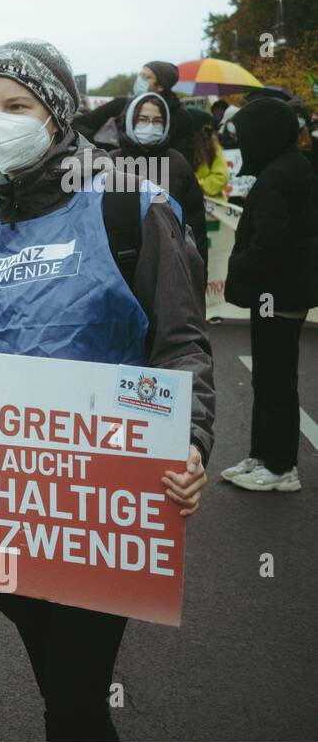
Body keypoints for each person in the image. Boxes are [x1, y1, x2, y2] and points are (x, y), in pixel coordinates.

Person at [0, 39, 214, 742]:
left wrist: (192, 440)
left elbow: (180, 344)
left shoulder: (130, 207)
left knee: (77, 697)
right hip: (10, 506)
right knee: (58, 685)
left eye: (16, 106)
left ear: (55, 113)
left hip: (102, 499)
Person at [221, 97, 318, 493]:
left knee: (274, 380)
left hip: (276, 293)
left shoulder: (278, 176)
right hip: (282, 292)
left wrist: (239, 264)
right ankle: (264, 456)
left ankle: (280, 466)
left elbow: (270, 243)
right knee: (270, 377)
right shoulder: (291, 168)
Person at [113, 90, 208, 273]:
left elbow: (196, 225)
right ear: (131, 121)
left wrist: (198, 274)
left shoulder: (178, 163)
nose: (150, 126)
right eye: (142, 119)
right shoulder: (112, 163)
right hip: (122, 270)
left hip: (171, 267)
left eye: (157, 121)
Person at [75, 60, 195, 164]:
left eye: (146, 77)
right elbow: (77, 123)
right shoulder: (121, 105)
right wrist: (101, 146)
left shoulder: (182, 118)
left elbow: (184, 158)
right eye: (140, 75)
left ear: (160, 87)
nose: (140, 80)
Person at [185, 108, 229, 202]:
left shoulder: (212, 147)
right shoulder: (179, 146)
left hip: (211, 206)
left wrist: (196, 188)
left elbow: (221, 177)